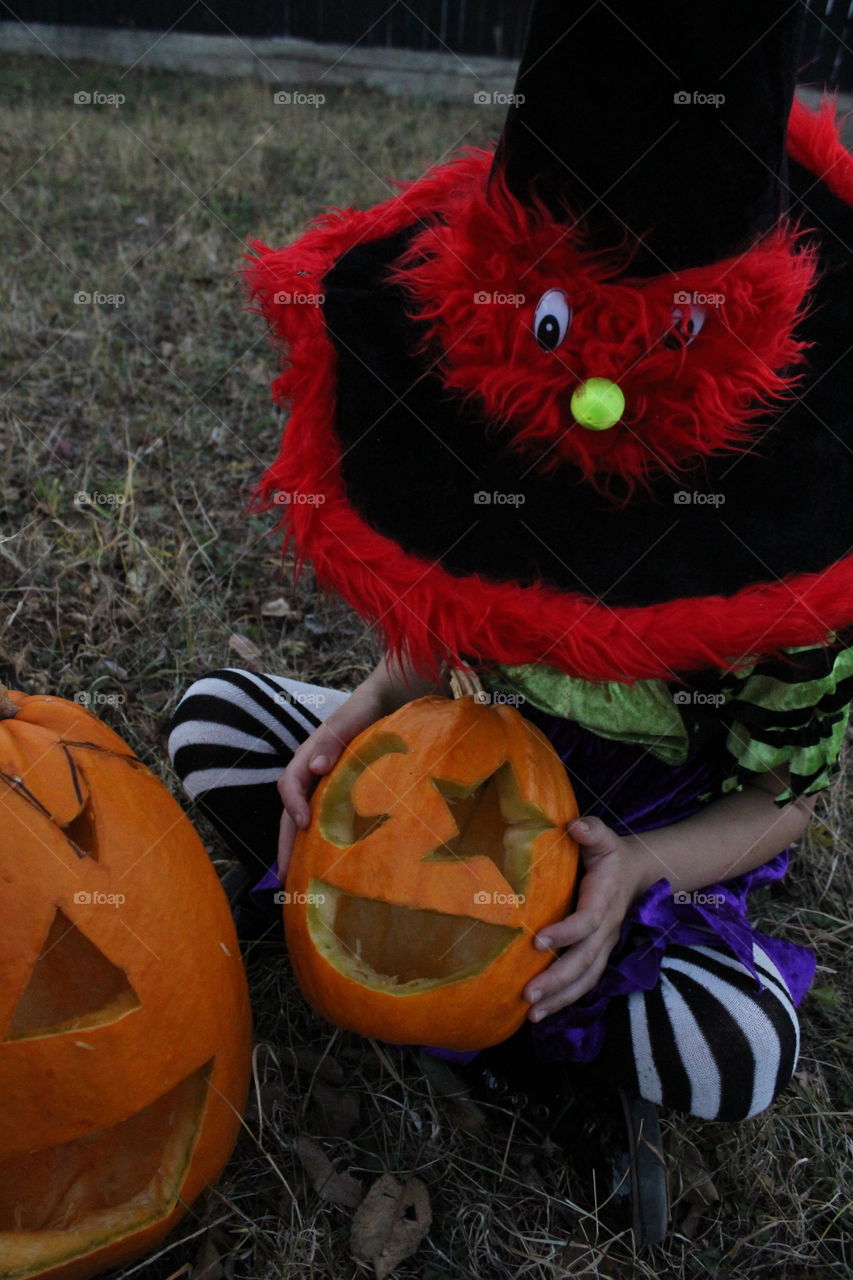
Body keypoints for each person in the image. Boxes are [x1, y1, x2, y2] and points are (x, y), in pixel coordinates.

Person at [168, 0, 853, 1247]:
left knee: (739, 1045)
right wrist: (370, 707)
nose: (592, 405)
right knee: (219, 724)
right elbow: (443, 626)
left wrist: (641, 868)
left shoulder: (793, 549)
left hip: (632, 834)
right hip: (449, 756)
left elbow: (785, 797)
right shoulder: (502, 387)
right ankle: (409, 947)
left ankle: (541, 1030)